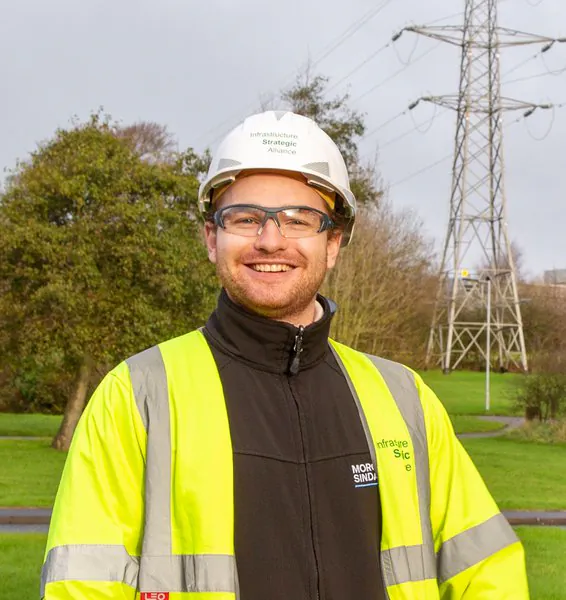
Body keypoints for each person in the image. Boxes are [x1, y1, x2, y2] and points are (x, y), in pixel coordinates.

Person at [41, 110, 529, 600]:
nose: (270, 240)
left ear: (333, 242)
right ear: (212, 239)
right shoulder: (137, 396)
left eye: (299, 220)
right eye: (246, 218)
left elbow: (488, 572)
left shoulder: (404, 399)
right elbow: (80, 586)